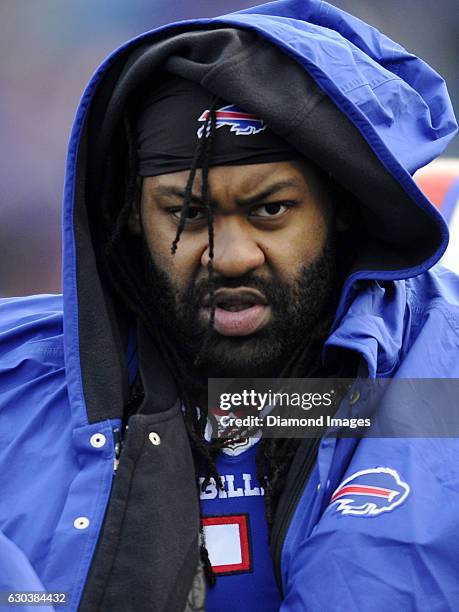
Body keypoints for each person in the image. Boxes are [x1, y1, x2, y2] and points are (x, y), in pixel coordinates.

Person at [1, 1, 458, 611]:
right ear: (129, 218)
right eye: (187, 214)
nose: (233, 256)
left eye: (270, 209)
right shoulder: (17, 377)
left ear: (343, 205)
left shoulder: (435, 366)